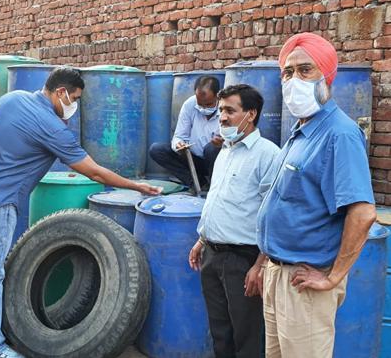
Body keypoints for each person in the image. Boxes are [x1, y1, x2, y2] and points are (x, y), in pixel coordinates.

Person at [0, 66, 162, 358]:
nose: (74, 106)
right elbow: (94, 172)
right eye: (75, 98)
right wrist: (136, 186)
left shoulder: (12, 98)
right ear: (61, 92)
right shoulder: (52, 127)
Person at [256, 32, 377, 358]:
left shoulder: (339, 133)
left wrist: (333, 277)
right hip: (278, 274)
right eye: (288, 72)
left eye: (305, 70)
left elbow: (363, 213)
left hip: (305, 283)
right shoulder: (301, 132)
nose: (294, 79)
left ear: (327, 77)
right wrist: (264, 262)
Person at [188, 84, 280, 358]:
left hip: (243, 260)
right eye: (221, 111)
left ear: (250, 114)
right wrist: (202, 240)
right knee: (220, 332)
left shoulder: (268, 154)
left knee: (247, 336)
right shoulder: (225, 151)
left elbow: (272, 215)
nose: (223, 117)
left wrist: (260, 265)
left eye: (230, 110)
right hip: (212, 255)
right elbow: (220, 201)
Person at [149, 75, 223, 190]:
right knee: (157, 149)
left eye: (208, 104)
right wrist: (179, 145)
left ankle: (216, 187)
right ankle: (198, 183)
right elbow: (179, 136)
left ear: (218, 96)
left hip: (216, 161)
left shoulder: (226, 108)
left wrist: (222, 143)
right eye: (200, 104)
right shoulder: (190, 104)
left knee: (212, 148)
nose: (203, 108)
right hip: (193, 159)